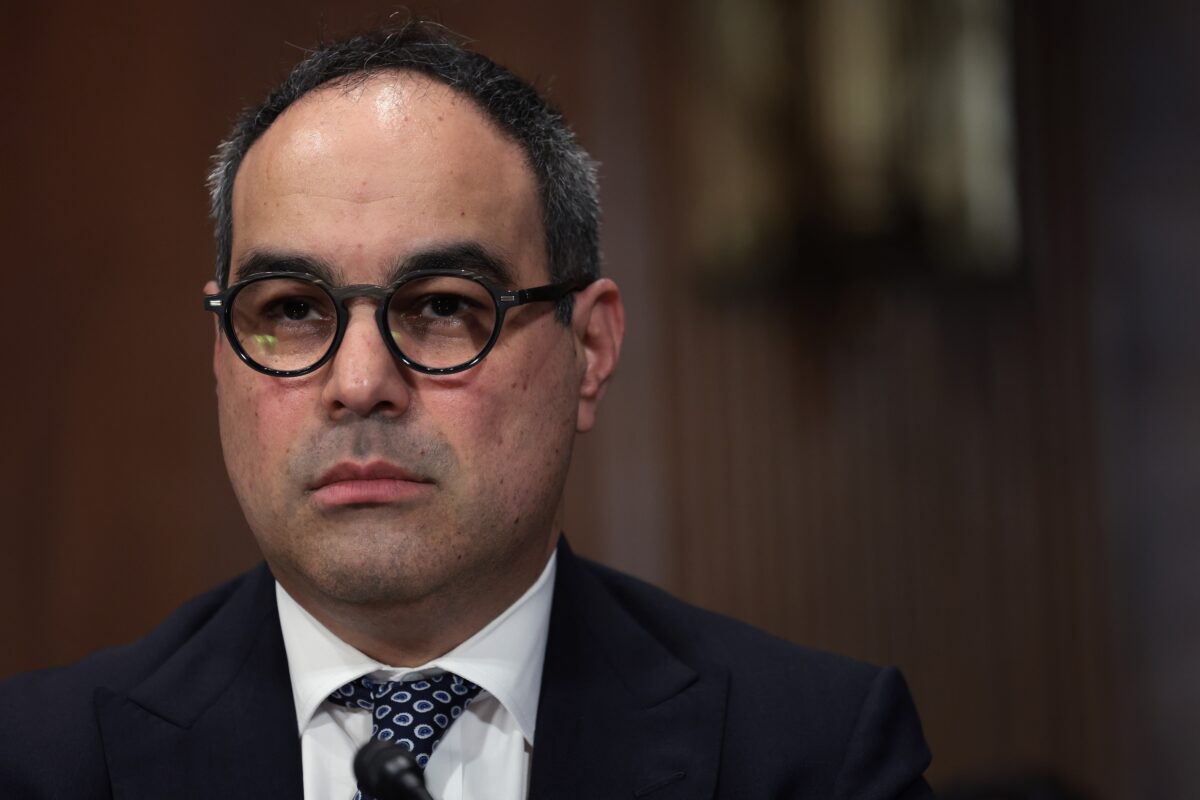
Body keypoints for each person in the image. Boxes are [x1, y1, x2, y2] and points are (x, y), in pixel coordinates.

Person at [0, 22, 933, 800]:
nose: (358, 381)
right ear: (220, 354)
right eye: (290, 309)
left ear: (591, 348)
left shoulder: (815, 759)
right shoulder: (38, 764)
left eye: (442, 305)